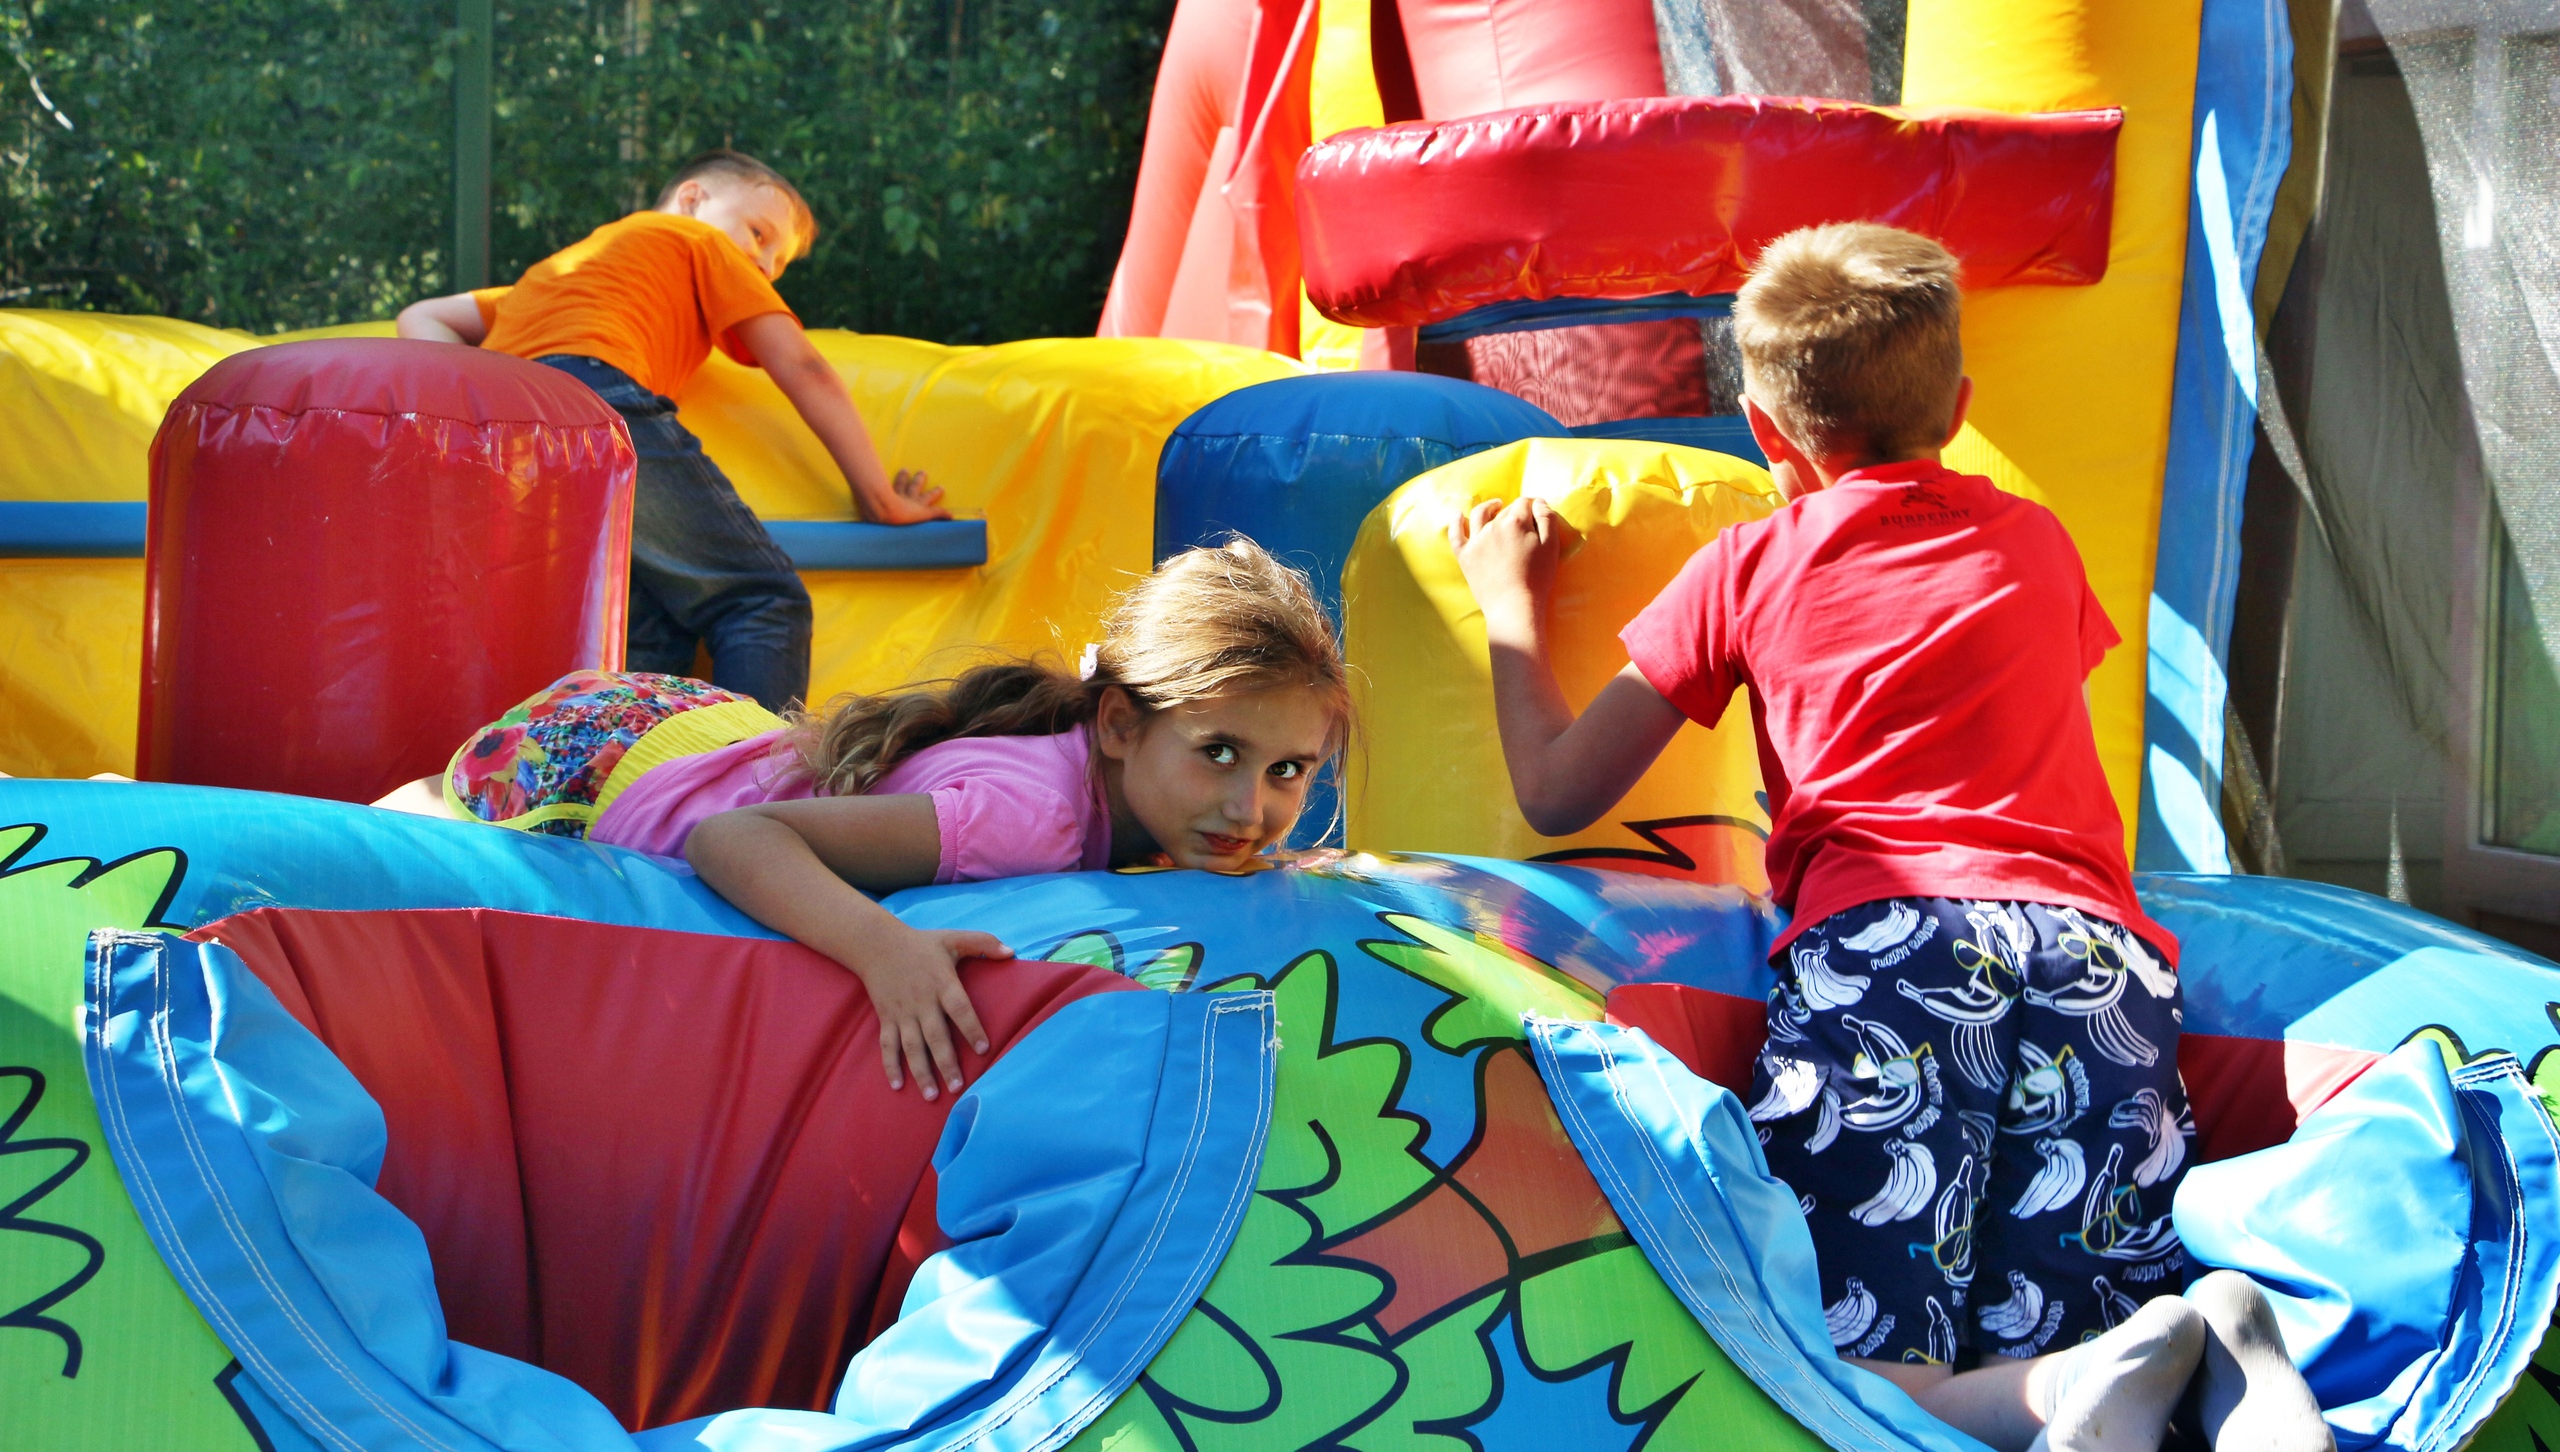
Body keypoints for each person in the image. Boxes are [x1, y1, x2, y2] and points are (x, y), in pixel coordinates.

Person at [1448, 223, 2329, 1452]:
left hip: (1891, 953)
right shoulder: (2035, 542)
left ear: (1761, 429)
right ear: (1957, 407)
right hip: (2096, 961)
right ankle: (2218, 1350)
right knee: (2077, 1333)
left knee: (1860, 1373)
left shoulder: (1746, 564)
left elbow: (1555, 791)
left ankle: (2107, 1385)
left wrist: (1507, 602)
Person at [430, 537, 1347, 1101]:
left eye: (1289, 770)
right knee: (412, 821)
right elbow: (731, 837)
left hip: (701, 727)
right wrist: (885, 950)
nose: (1251, 807)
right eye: (1218, 751)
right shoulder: (1030, 819)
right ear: (1117, 723)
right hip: (593, 773)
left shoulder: (1119, 779)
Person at [395, 149, 946, 713]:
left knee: (651, 633)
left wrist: (481, 409)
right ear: (692, 199)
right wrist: (881, 498)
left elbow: (421, 315)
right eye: (759, 235)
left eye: (777, 264)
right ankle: (747, 769)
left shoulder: (560, 275)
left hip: (509, 449)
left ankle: (628, 766)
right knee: (761, 601)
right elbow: (804, 367)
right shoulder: (697, 238)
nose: (762, 265)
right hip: (595, 402)